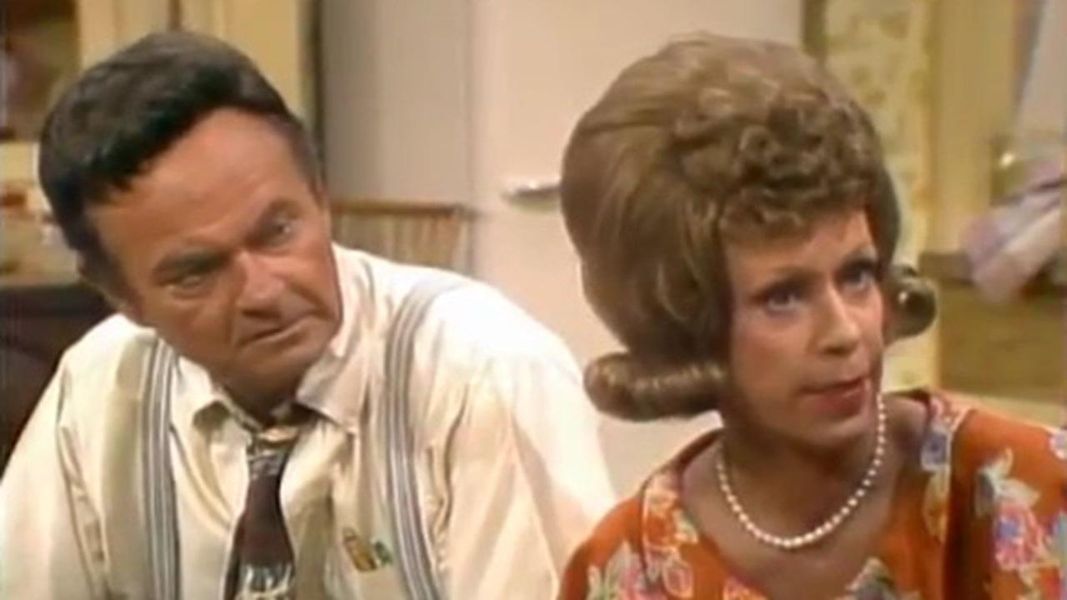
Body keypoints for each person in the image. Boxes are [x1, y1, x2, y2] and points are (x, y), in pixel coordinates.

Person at [0, 31, 616, 599]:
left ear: (321, 197)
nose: (263, 292)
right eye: (196, 273)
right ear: (121, 296)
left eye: (278, 231)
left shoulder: (483, 372)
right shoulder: (101, 387)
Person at [557, 33, 1066, 599]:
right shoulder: (629, 571)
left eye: (856, 275)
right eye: (784, 297)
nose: (845, 332)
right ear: (688, 322)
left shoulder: (1035, 491)